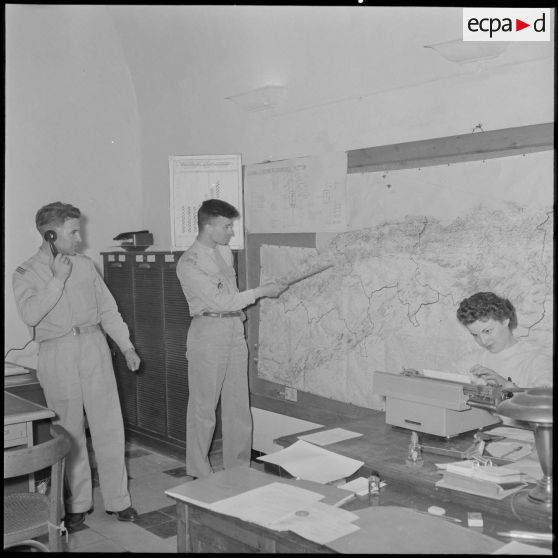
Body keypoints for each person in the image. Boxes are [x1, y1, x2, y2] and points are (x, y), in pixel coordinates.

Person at [12, 202, 141, 532]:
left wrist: (126, 346)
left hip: (93, 346)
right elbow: (29, 315)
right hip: (57, 353)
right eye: (73, 231)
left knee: (109, 427)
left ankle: (118, 501)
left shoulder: (85, 265)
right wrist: (56, 280)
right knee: (70, 432)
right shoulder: (25, 272)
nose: (80, 238)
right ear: (50, 234)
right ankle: (78, 504)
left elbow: (109, 310)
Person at [176, 199, 287, 478]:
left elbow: (232, 297)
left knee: (238, 406)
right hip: (208, 332)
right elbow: (219, 301)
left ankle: (238, 469)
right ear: (209, 226)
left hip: (234, 330)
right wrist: (261, 291)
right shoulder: (188, 262)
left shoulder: (224, 253)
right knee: (203, 408)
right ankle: (199, 472)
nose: (231, 232)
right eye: (226, 226)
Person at [454, 291, 552, 388]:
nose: (484, 341)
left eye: (487, 331)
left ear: (505, 321)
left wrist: (505, 384)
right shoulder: (467, 363)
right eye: (475, 335)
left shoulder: (537, 360)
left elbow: (544, 402)